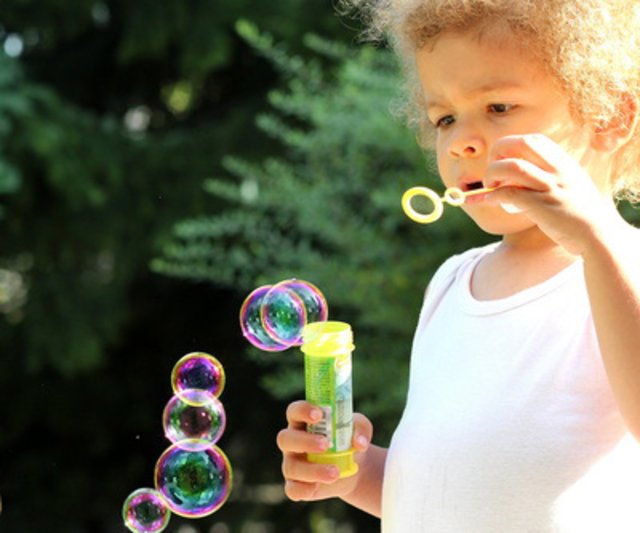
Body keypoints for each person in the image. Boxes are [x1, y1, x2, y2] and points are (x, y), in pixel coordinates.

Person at [276, 1, 640, 531]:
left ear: (608, 116)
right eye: (444, 118)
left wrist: (595, 239)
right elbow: (444, 486)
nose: (462, 140)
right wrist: (352, 472)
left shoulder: (626, 264)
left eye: (498, 107)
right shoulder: (451, 284)